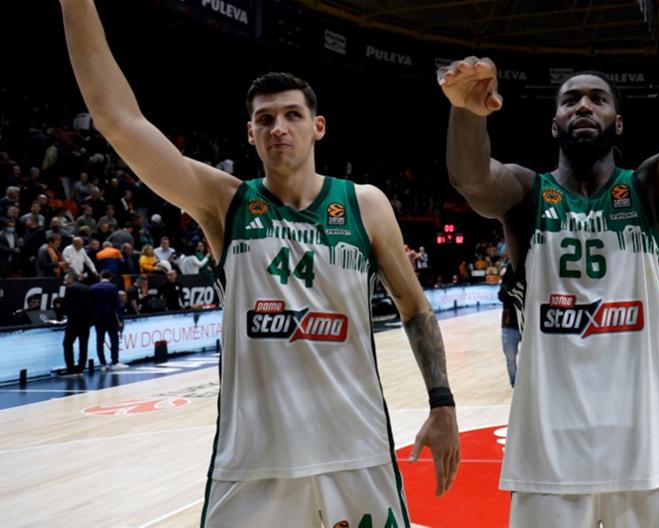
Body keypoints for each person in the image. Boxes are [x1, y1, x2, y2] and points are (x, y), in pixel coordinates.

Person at [60, 2, 460, 526]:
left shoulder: (365, 205)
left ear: (318, 127)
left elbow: (416, 311)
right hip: (252, 465)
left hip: (356, 453)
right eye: (265, 119)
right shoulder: (224, 203)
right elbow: (120, 121)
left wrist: (442, 402)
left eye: (293, 115)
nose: (279, 128)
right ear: (250, 133)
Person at [439, 22, 659, 525]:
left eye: (598, 99)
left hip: (651, 452)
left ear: (619, 123)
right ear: (554, 125)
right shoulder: (527, 196)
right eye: (570, 100)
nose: (584, 106)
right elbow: (473, 179)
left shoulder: (650, 190)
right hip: (549, 457)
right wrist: (466, 112)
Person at [91, 270, 126, 370]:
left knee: (100, 341)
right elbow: (117, 305)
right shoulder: (113, 287)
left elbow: (90, 304)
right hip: (111, 318)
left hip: (97, 318)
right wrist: (120, 319)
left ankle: (103, 364)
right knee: (114, 340)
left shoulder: (92, 287)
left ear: (100, 276)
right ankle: (115, 362)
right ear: (110, 277)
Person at [59, 272, 92, 375]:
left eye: (65, 279)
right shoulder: (87, 288)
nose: (64, 282)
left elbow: (66, 304)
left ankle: (71, 368)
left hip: (75, 320)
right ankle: (81, 367)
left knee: (67, 343)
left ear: (70, 279)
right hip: (86, 320)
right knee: (83, 344)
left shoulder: (71, 288)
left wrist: (59, 315)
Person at [498, 262, 521, 388]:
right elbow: (501, 296)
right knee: (510, 359)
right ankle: (515, 384)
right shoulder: (508, 271)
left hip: (525, 324)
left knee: (530, 357)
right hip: (508, 324)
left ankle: (526, 382)